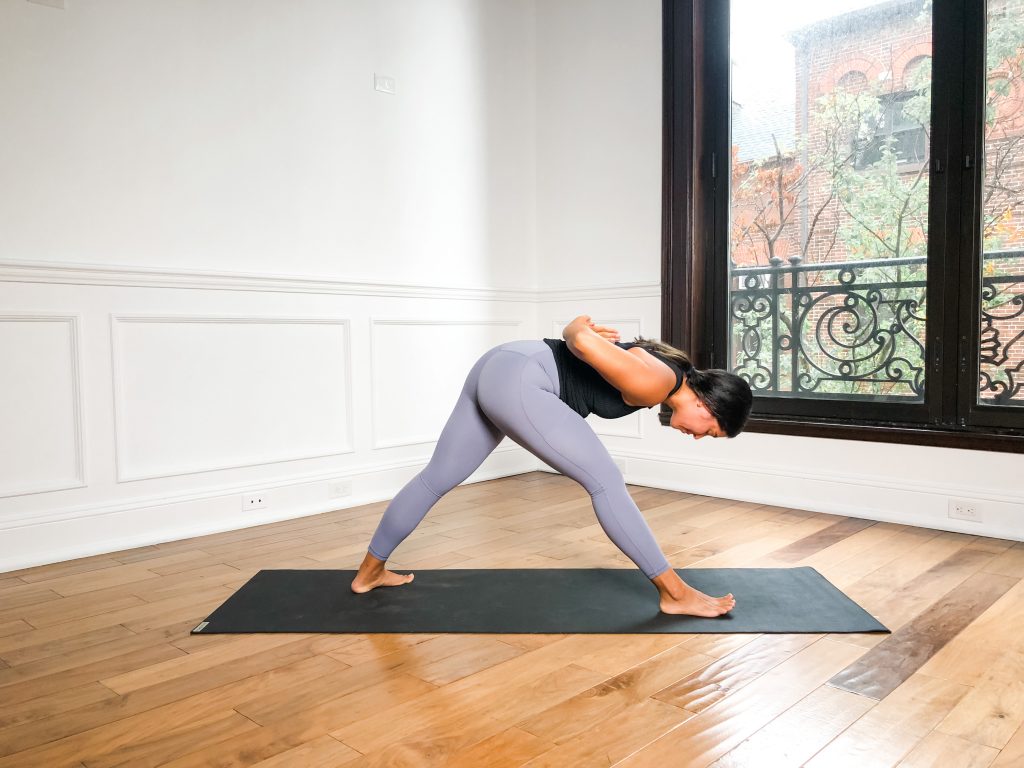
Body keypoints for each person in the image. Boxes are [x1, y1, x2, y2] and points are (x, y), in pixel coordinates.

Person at [350, 314, 754, 616]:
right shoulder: (659, 382)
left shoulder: (666, 372)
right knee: (607, 483)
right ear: (708, 404)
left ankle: (369, 572)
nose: (700, 437)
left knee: (437, 476)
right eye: (711, 430)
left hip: (502, 363)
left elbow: (583, 346)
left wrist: (582, 333)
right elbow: (578, 338)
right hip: (523, 377)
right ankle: (675, 593)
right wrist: (579, 325)